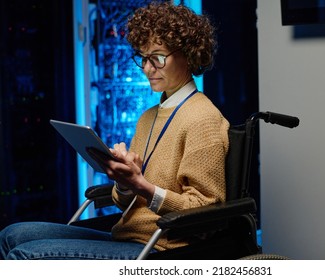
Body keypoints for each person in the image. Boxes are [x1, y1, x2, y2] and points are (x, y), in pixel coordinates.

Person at [0, 1, 229, 260]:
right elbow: (124, 203)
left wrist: (142, 185)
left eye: (157, 58)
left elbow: (205, 211)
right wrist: (124, 183)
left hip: (162, 246)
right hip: (128, 235)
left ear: (189, 55)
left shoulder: (203, 118)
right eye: (143, 58)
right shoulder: (148, 117)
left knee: (24, 255)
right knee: (12, 234)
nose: (146, 68)